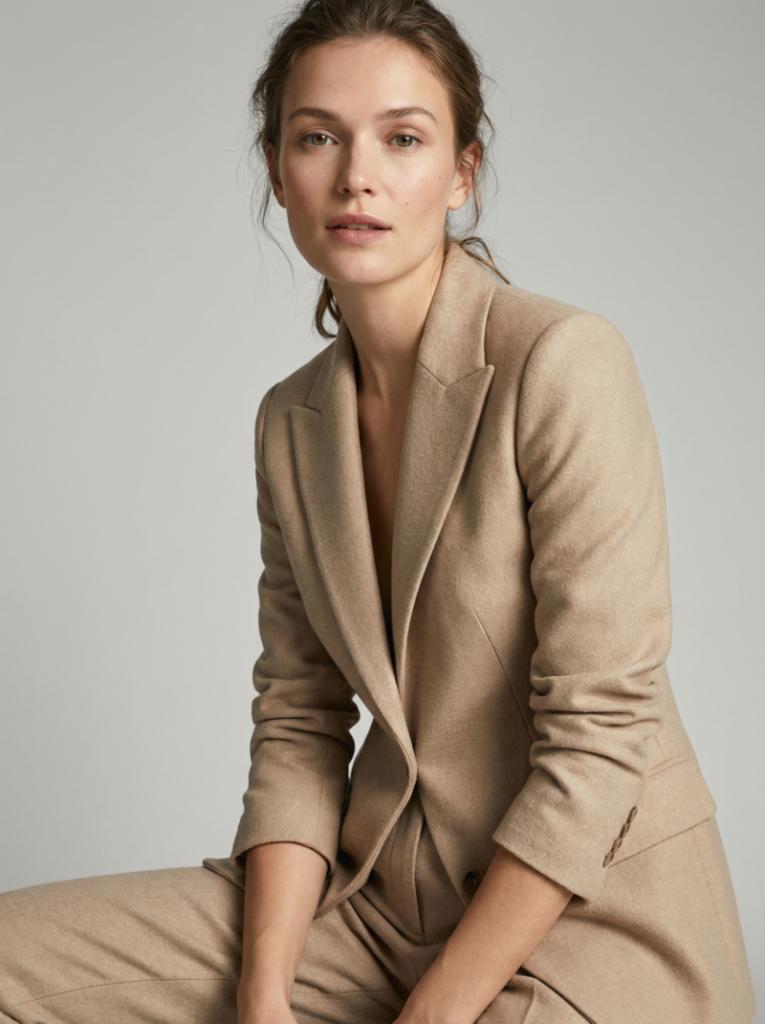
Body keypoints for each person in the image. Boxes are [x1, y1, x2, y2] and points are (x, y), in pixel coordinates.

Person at [0, 0, 756, 1022]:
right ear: (278, 171)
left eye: (403, 138)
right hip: (377, 908)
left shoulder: (563, 363)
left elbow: (599, 736)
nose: (357, 174)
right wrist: (263, 996)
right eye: (319, 137)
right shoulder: (290, 422)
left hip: (593, 921)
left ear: (461, 173)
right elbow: (299, 722)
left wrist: (431, 1013)